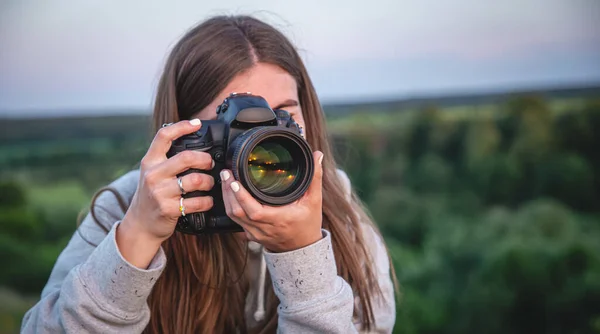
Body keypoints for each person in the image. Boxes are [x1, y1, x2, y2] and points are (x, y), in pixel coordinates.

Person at [21, 15, 397, 334]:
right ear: (185, 133)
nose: (264, 140)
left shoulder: (341, 214)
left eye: (283, 115)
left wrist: (302, 255)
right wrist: (138, 236)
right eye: (232, 125)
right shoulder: (126, 206)